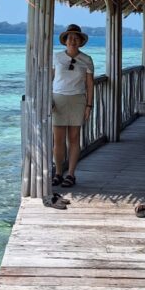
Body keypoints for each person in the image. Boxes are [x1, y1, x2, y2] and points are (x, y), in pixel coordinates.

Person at [51, 24, 94, 188]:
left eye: (76, 38)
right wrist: (47, 98)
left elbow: (90, 85)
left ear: (81, 41)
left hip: (78, 100)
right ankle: (58, 173)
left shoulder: (87, 59)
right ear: (65, 41)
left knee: (74, 139)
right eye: (70, 38)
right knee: (58, 140)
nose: (73, 40)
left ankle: (71, 174)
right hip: (58, 100)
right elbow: (50, 78)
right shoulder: (56, 57)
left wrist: (89, 105)